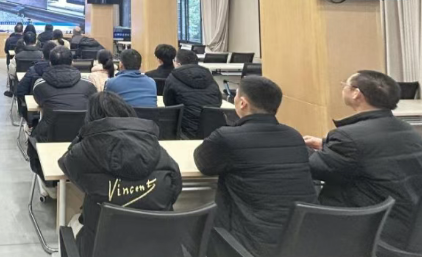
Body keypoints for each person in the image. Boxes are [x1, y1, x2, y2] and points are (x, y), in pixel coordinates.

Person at [195, 76, 317, 257]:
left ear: (242, 103)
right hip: (302, 242)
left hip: (248, 244)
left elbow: (204, 164)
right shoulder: (294, 136)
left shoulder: (227, 137)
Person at [305, 70, 422, 247]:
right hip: (404, 223)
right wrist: (325, 144)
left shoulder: (348, 137)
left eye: (345, 85)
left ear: (356, 94)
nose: (343, 88)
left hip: (366, 231)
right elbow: (374, 153)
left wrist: (295, 146)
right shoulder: (406, 129)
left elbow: (314, 168)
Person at [59, 92, 182, 257]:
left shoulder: (82, 153)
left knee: (73, 222)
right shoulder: (158, 150)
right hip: (158, 249)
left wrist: (84, 134)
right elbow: (175, 190)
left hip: (101, 249)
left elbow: (65, 163)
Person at [30, 46, 97, 144]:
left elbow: (40, 102)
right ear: (72, 62)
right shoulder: (88, 85)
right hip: (82, 138)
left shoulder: (40, 85)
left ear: (50, 63)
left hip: (48, 138)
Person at [164, 49, 222, 138]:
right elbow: (219, 100)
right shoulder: (208, 75)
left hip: (186, 131)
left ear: (178, 63)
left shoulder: (173, 77)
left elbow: (169, 105)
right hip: (213, 130)